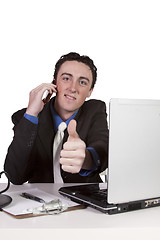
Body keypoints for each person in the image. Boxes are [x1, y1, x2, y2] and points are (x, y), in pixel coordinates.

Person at [4, 52, 109, 184]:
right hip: (41, 199)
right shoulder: (26, 117)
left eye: (82, 82)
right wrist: (31, 114)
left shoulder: (94, 110)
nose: (72, 88)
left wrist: (86, 159)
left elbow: (103, 148)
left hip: (83, 198)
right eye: (66, 78)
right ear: (54, 83)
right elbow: (15, 177)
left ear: (90, 91)